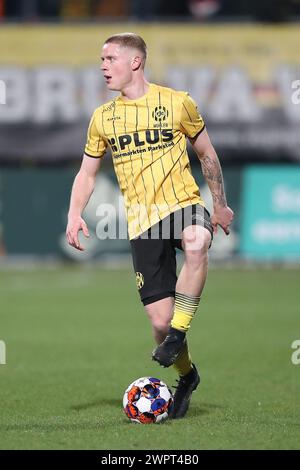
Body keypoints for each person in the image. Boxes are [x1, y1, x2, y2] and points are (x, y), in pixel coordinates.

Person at [66, 32, 234, 419]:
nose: (103, 66)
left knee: (196, 241)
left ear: (135, 62)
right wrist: (75, 212)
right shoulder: (103, 118)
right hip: (142, 222)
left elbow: (206, 154)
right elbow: (87, 173)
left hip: (182, 204)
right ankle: (187, 373)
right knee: (159, 322)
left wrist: (220, 206)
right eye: (101, 60)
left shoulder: (177, 103)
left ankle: (178, 335)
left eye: (110, 58)